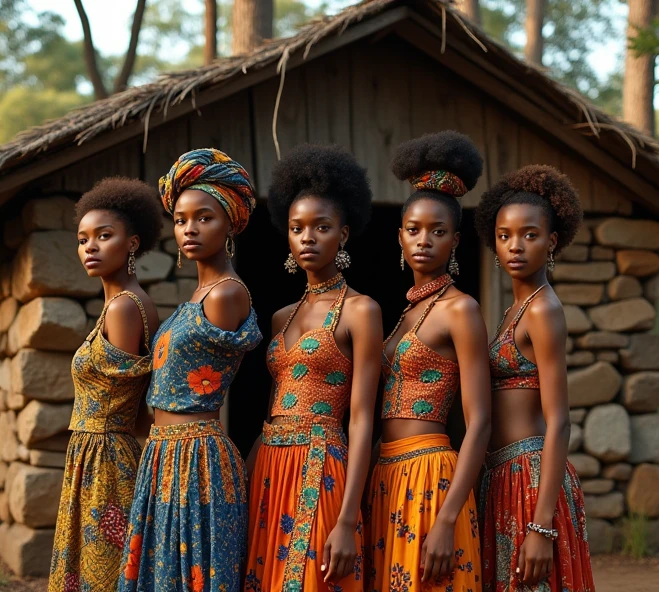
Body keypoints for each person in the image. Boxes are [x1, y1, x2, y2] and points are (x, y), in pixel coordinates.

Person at [118, 148, 262, 592]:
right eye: (181, 220)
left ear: (231, 223)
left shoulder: (225, 295)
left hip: (196, 458)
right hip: (162, 454)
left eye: (204, 218)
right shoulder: (195, 298)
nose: (190, 229)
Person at [244, 144, 381, 592]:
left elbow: (361, 419)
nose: (308, 237)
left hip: (320, 469)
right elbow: (271, 409)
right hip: (269, 467)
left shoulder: (361, 310)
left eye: (321, 227)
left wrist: (347, 517)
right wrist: (244, 472)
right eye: (297, 227)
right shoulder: (281, 316)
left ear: (342, 234)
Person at [365, 131, 492, 592]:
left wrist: (449, 517)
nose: (424, 240)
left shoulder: (461, 309)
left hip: (431, 477)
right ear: (399, 237)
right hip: (386, 474)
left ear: (455, 241)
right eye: (414, 230)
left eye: (438, 232)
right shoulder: (406, 311)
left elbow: (479, 423)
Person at [473, 165, 595, 592]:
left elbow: (558, 420)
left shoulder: (544, 309)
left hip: (532, 479)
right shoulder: (513, 311)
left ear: (552, 241)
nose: (515, 246)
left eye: (529, 235)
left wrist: (542, 527)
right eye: (504, 236)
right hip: (501, 476)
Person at [49, 177, 163, 592]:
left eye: (104, 236)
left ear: (132, 243)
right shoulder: (124, 302)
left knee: (102, 571)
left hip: (106, 459)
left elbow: (130, 394)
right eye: (83, 239)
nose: (90, 247)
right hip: (96, 453)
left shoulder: (124, 308)